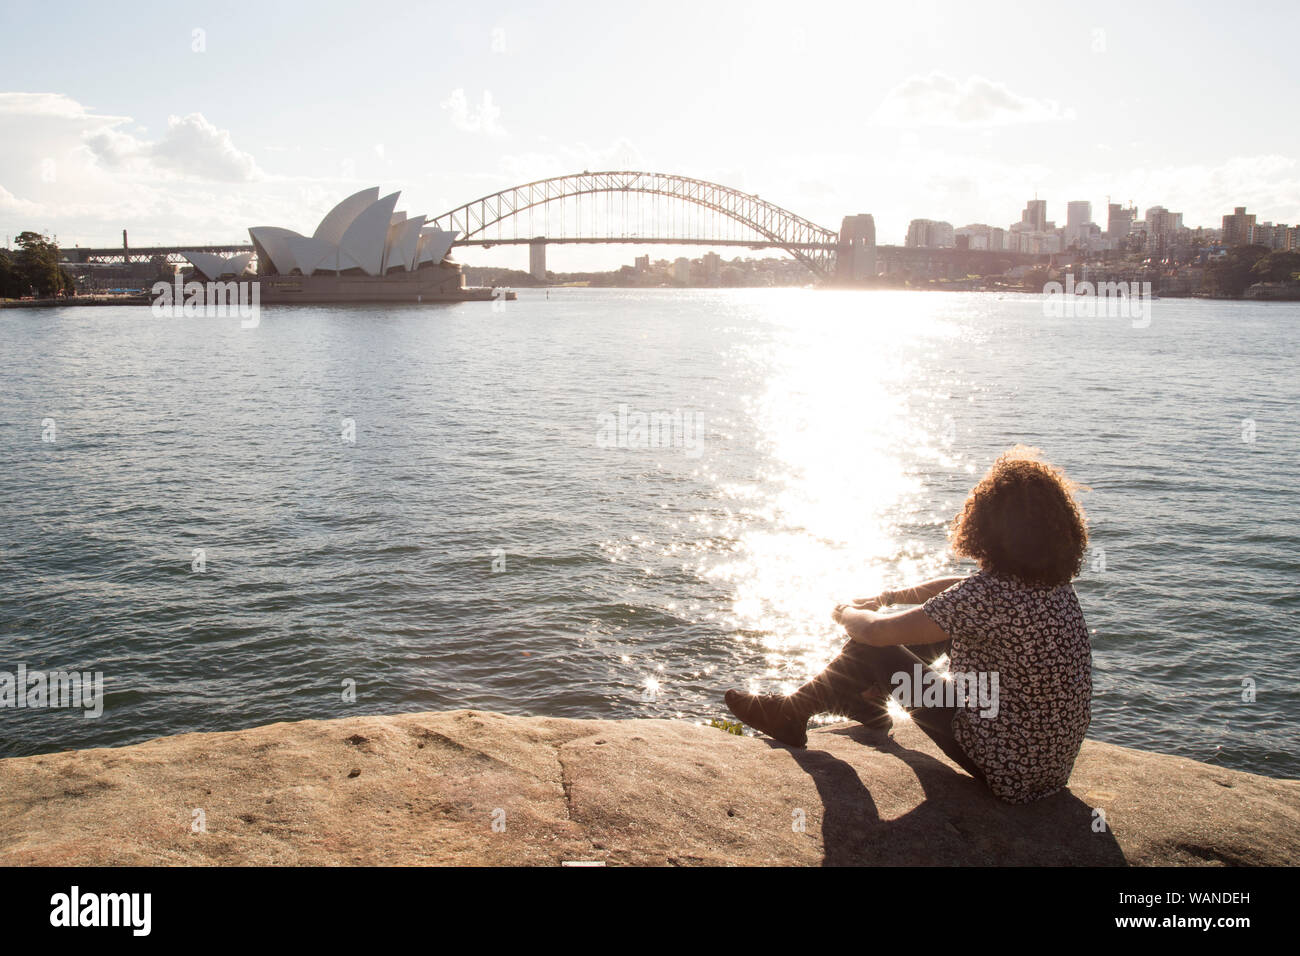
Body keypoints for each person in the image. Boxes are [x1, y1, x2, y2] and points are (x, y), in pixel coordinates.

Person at [724, 445, 1093, 804]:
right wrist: (889, 596)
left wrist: (844, 612)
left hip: (1005, 769)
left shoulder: (986, 596)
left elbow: (875, 632)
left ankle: (790, 713)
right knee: (937, 630)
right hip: (1049, 769)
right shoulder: (1054, 587)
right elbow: (956, 590)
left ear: (990, 526)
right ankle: (864, 701)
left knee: (869, 648)